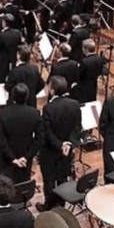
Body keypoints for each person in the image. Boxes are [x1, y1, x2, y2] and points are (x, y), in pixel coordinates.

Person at [40, 75, 80, 211]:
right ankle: (61, 206)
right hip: (67, 151)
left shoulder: (48, 108)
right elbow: (76, 128)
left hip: (50, 152)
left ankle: (49, 207)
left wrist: (59, 145)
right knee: (63, 177)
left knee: (49, 181)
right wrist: (68, 144)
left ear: (52, 91)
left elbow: (47, 132)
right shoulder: (75, 105)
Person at [0, 83, 43, 184]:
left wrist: (13, 159)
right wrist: (26, 157)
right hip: (25, 161)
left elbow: (1, 140)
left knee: (3, 189)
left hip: (6, 160)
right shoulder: (35, 113)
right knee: (22, 190)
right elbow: (39, 139)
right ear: (27, 96)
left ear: (13, 96)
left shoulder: (4, 113)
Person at [0, 15, 23, 84]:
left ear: (4, 23)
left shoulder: (1, 35)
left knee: (0, 80)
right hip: (13, 59)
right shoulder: (18, 33)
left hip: (2, 62)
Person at [74, 38, 106, 103]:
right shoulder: (99, 59)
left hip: (84, 85)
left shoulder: (84, 62)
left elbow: (80, 75)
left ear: (86, 49)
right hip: (94, 83)